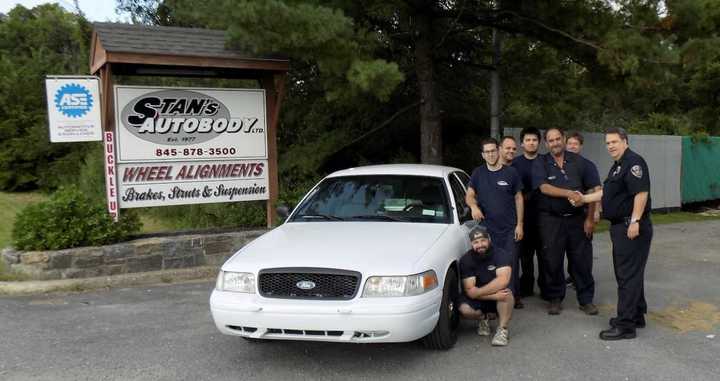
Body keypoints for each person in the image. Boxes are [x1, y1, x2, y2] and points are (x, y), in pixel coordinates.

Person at [573, 127, 653, 340]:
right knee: (629, 273)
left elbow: (641, 193)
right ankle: (636, 315)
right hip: (621, 226)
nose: (610, 146)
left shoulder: (634, 162)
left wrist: (635, 221)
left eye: (614, 142)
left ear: (625, 141)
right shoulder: (618, 166)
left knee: (626, 275)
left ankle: (625, 325)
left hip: (631, 226)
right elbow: (606, 192)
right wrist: (583, 199)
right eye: (607, 143)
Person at [531, 127, 600, 315]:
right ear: (546, 143)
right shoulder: (541, 162)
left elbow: (593, 191)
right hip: (551, 220)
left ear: (564, 139)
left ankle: (586, 300)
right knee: (552, 260)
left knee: (582, 261)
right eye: (550, 140)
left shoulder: (582, 163)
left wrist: (589, 219)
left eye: (557, 139)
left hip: (578, 220)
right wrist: (569, 193)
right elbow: (544, 187)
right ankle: (554, 298)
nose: (555, 143)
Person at [466, 137, 524, 301]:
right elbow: (469, 195)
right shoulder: (478, 173)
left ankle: (511, 298)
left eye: (493, 151)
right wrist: (474, 207)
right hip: (487, 230)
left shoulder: (511, 173)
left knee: (509, 263)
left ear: (499, 151)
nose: (491, 154)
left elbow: (519, 198)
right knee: (490, 266)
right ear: (483, 155)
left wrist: (520, 224)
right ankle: (493, 301)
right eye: (487, 152)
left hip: (509, 229)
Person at [458, 224, 514, 346]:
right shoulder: (466, 260)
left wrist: (477, 292)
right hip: (486, 297)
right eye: (476, 242)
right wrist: (493, 296)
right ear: (471, 244)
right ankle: (483, 318)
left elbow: (503, 281)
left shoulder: (501, 255)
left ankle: (502, 329)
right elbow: (470, 292)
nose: (480, 245)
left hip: (496, 294)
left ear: (489, 239)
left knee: (506, 294)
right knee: (463, 309)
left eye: (483, 240)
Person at [565, 131, 602, 289]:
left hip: (584, 213)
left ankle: (583, 279)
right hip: (564, 216)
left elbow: (596, 188)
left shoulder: (587, 165)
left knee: (583, 251)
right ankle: (573, 276)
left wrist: (595, 212)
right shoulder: (561, 164)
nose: (572, 146)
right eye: (570, 143)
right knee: (569, 250)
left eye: (576, 144)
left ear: (581, 146)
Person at [512, 127, 545, 299]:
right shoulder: (516, 164)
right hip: (524, 217)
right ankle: (526, 287)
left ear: (539, 142)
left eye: (534, 140)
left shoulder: (546, 161)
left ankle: (546, 288)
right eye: (528, 140)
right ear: (522, 143)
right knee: (525, 256)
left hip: (545, 216)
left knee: (545, 255)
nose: (531, 143)